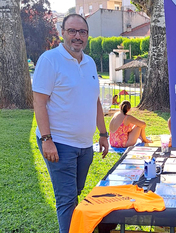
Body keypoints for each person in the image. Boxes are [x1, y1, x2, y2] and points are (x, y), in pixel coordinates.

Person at [32, 14, 109, 233]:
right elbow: (39, 102)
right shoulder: (50, 60)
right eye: (72, 31)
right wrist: (47, 140)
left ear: (87, 35)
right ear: (62, 33)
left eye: (82, 32)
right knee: (66, 200)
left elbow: (94, 101)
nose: (77, 36)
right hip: (59, 143)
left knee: (74, 193)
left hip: (85, 146)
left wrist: (103, 134)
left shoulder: (90, 62)